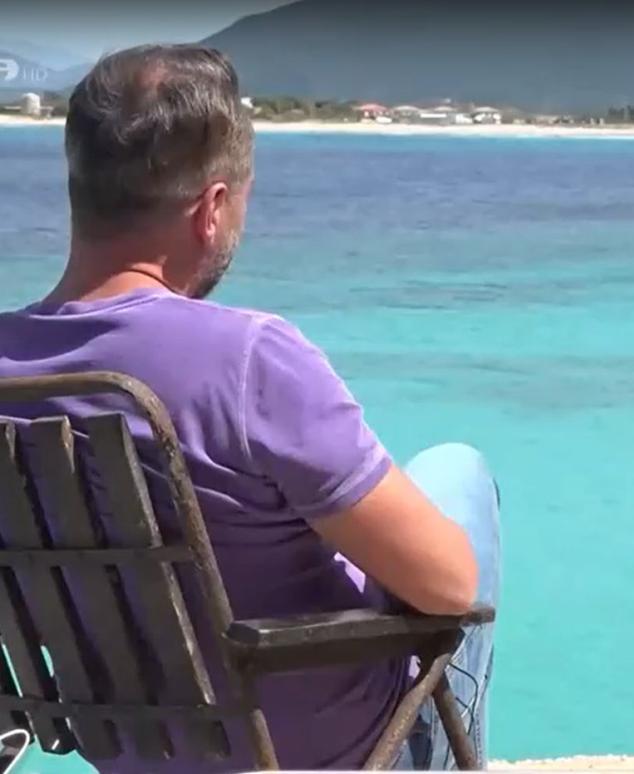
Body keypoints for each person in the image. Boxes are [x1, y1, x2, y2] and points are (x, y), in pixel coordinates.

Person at [0, 44, 500, 772]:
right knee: (459, 473)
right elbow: (449, 588)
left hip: (130, 748)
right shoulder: (249, 360)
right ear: (211, 209)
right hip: (323, 753)